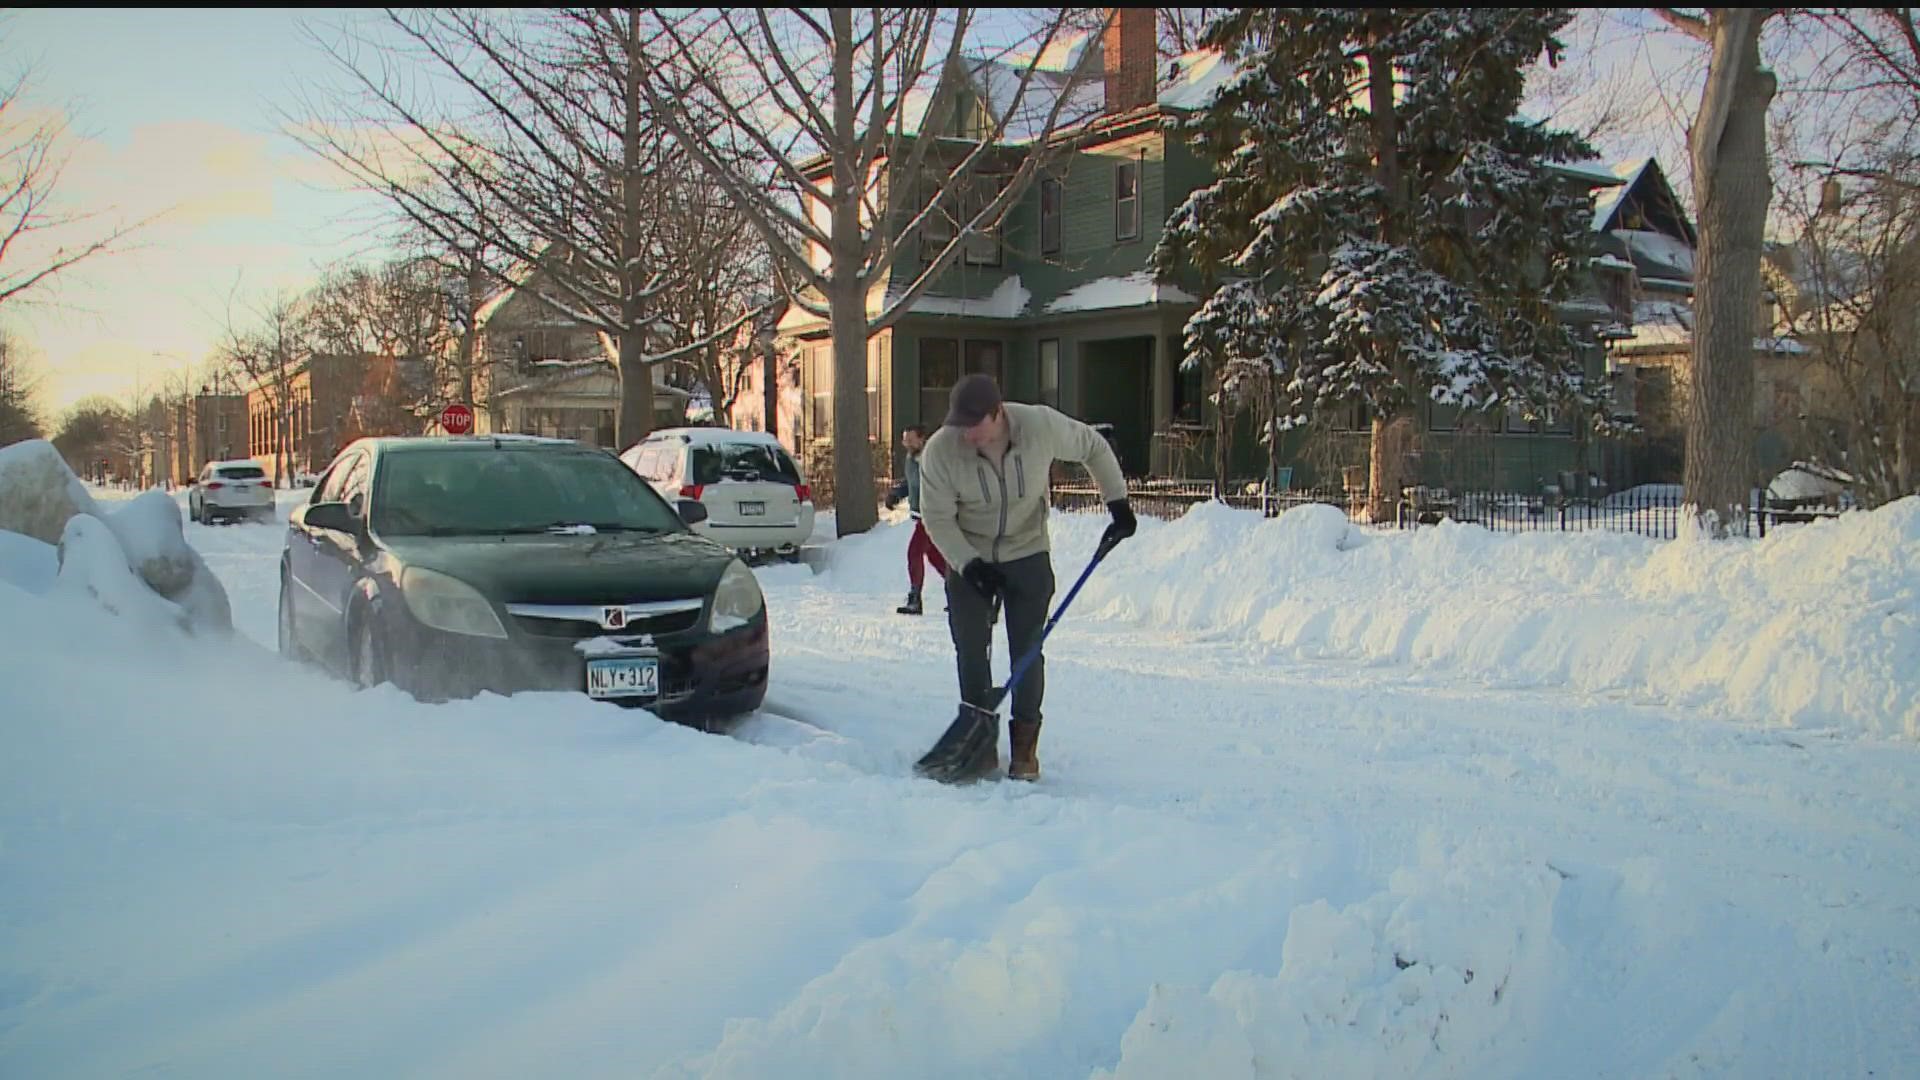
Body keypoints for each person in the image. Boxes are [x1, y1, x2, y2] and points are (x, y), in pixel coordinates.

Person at [918, 373, 1136, 781]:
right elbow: (937, 518)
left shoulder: (1039, 426)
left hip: (1027, 551)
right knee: (970, 647)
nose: (965, 434)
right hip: (970, 553)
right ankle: (977, 743)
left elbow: (1093, 446)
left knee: (1028, 650)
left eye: (973, 425)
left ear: (997, 413)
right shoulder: (940, 452)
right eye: (959, 424)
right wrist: (969, 564)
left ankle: (1024, 751)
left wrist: (1117, 502)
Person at [883, 424, 949, 615]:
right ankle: (960, 591)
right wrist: (896, 493)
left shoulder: (932, 458)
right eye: (905, 440)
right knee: (935, 556)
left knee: (914, 552)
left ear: (922, 439)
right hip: (921, 514)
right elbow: (912, 482)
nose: (908, 444)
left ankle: (915, 598)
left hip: (932, 514)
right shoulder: (911, 458)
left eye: (911, 440)